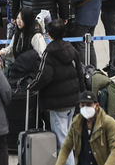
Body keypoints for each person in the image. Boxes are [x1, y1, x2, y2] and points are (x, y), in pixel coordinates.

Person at [30, 20, 85, 165]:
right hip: (72, 101)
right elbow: (80, 72)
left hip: (57, 104)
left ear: (48, 34)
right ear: (64, 33)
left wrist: (32, 86)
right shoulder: (72, 49)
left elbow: (44, 76)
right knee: (67, 136)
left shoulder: (49, 53)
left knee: (63, 143)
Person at [56, 90, 115, 165]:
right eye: (83, 106)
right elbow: (66, 147)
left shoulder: (109, 123)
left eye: (89, 105)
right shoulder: (76, 123)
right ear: (80, 107)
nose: (85, 108)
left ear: (96, 106)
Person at [69, 0, 109, 69]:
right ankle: (93, 69)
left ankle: (82, 70)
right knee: (90, 44)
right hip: (94, 17)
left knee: (80, 45)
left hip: (82, 17)